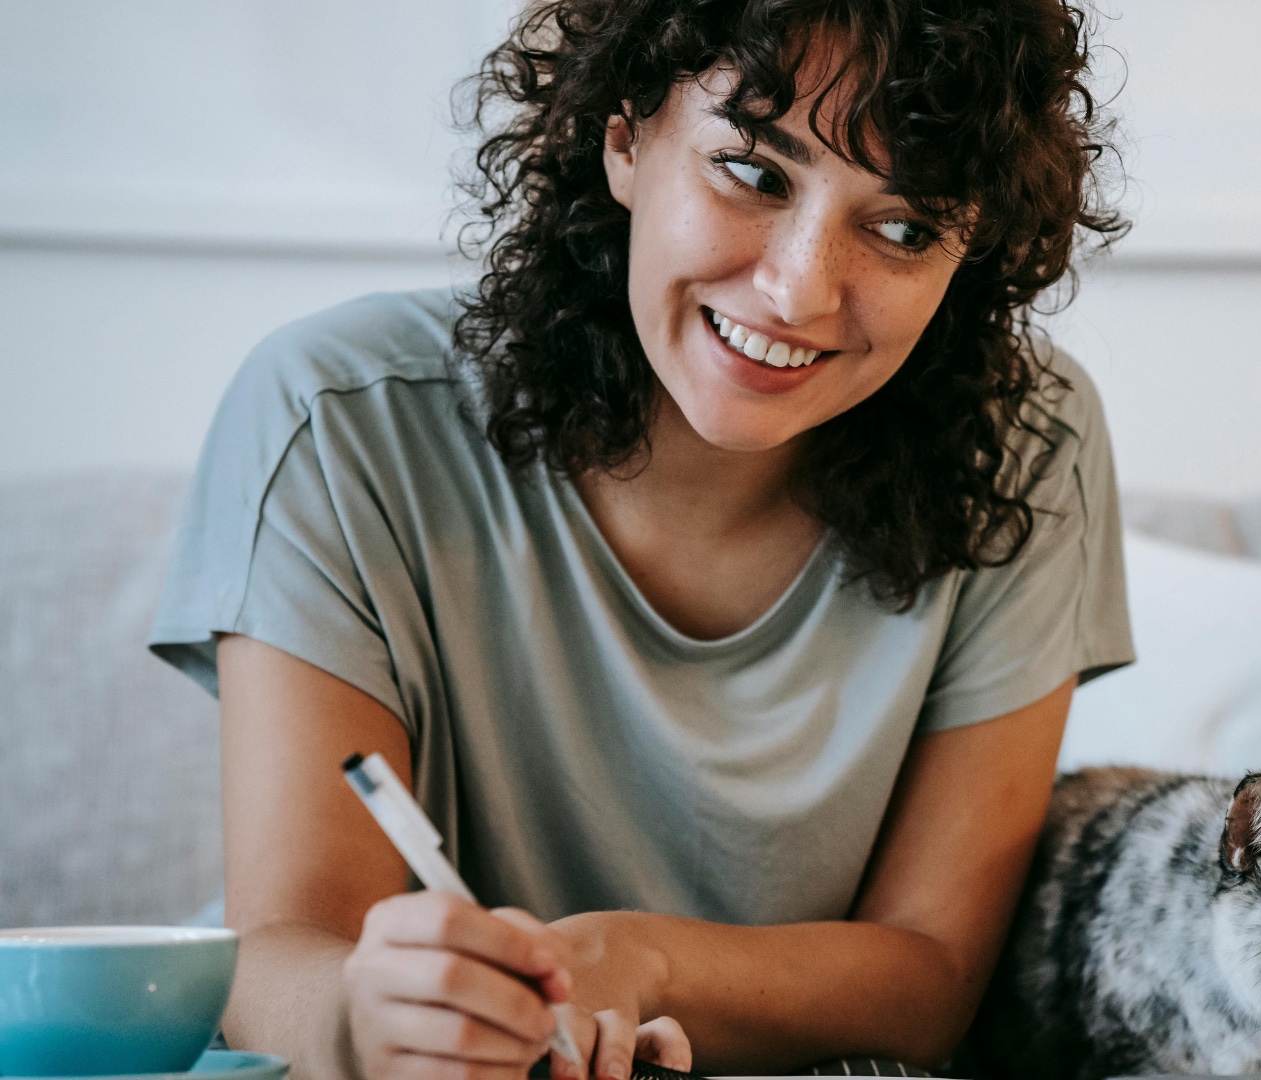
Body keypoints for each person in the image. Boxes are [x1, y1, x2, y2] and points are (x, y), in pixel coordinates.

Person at [149, 1, 1130, 1077]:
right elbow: (285, 949)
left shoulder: (1027, 443)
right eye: (754, 173)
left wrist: (637, 960)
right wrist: (364, 1021)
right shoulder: (335, 419)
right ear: (624, 137)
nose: (799, 288)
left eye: (902, 229)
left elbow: (932, 979)